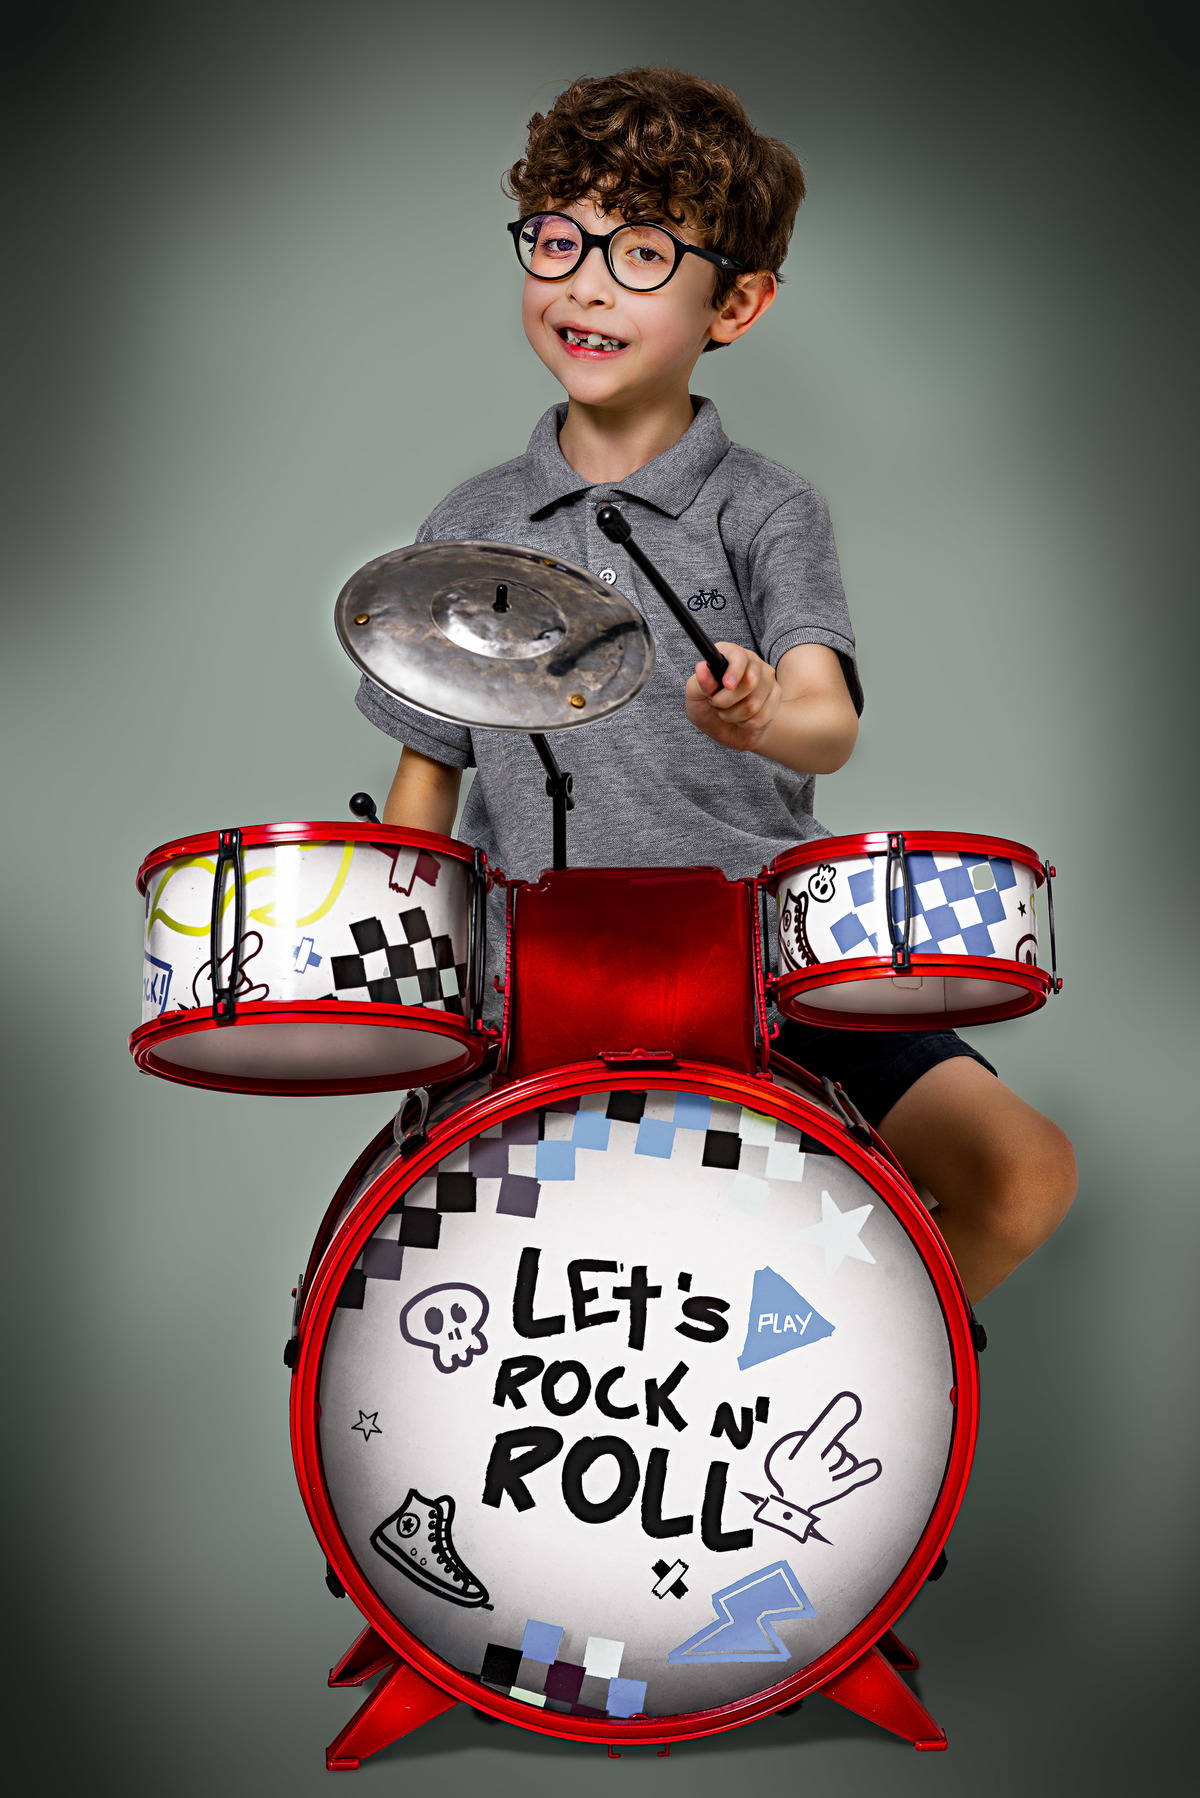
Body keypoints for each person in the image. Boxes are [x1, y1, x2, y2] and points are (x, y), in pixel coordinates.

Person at [355, 67, 1076, 1305]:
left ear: (735, 301)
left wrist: (760, 713)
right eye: (559, 238)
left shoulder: (768, 506)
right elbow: (426, 784)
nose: (584, 279)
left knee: (1021, 1174)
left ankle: (794, 1366)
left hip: (758, 950)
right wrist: (406, 975)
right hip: (535, 972)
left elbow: (827, 723)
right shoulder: (471, 519)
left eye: (641, 251)